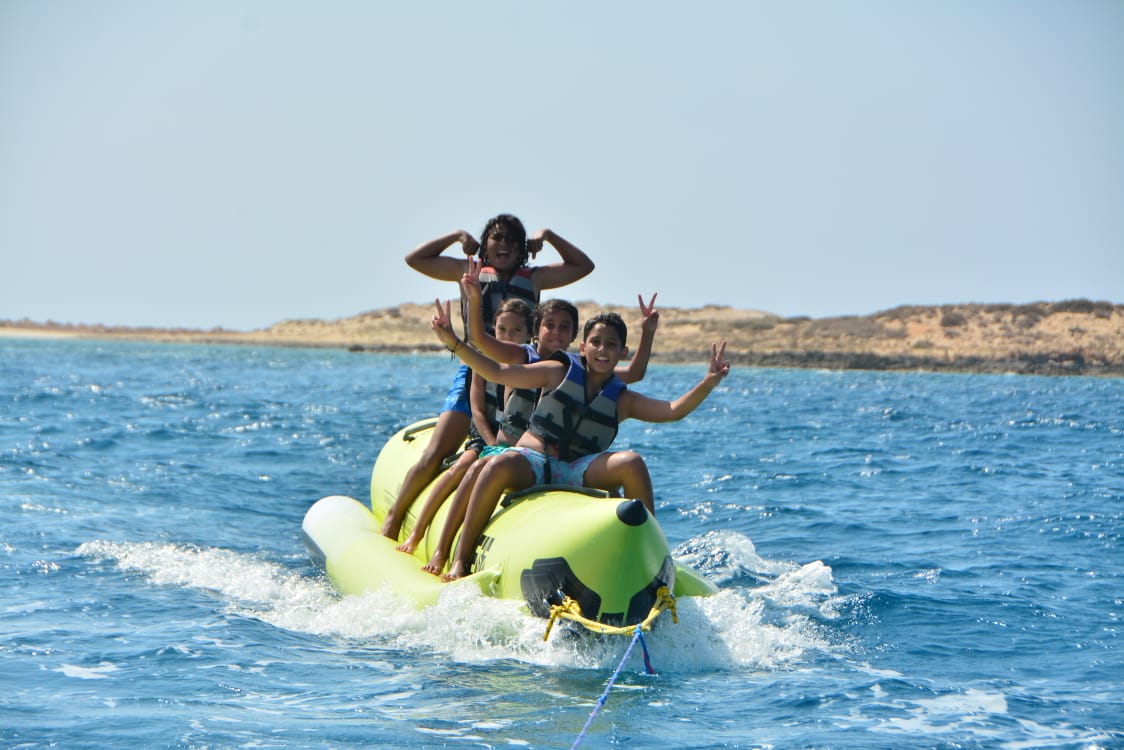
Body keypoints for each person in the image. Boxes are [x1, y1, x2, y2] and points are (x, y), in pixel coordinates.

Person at [430, 293, 731, 580]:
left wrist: (708, 382)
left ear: (621, 353)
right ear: (583, 348)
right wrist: (454, 342)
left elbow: (671, 410)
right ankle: (460, 559)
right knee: (496, 466)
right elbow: (498, 372)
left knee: (633, 462)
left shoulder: (621, 399)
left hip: (577, 470)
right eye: (596, 343)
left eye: (611, 345)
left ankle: (650, 553)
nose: (603, 350)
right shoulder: (556, 371)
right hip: (534, 461)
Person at [413, 263, 661, 575]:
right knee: (477, 466)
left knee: (612, 489)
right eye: (549, 326)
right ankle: (443, 548)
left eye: (564, 327)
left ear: (574, 337)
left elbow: (633, 373)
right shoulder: (523, 357)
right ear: (536, 329)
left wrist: (648, 333)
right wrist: (473, 304)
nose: (556, 333)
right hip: (509, 450)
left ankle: (633, 552)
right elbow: (484, 345)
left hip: (557, 461)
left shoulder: (583, 371)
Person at [381, 215, 595, 540]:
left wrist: (548, 236)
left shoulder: (534, 279)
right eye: (496, 238)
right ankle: (394, 522)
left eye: (512, 240)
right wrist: (455, 236)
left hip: (522, 372)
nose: (504, 244)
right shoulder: (469, 271)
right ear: (485, 244)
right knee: (437, 450)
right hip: (476, 369)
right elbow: (415, 259)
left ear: (523, 248)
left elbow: (583, 266)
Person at [394, 296, 534, 556]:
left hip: (514, 442)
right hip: (485, 435)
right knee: (462, 465)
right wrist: (491, 443)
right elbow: (478, 410)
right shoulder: (482, 361)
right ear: (493, 330)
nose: (508, 336)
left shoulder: (533, 365)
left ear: (529, 334)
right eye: (502, 329)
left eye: (516, 331)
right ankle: (418, 532)